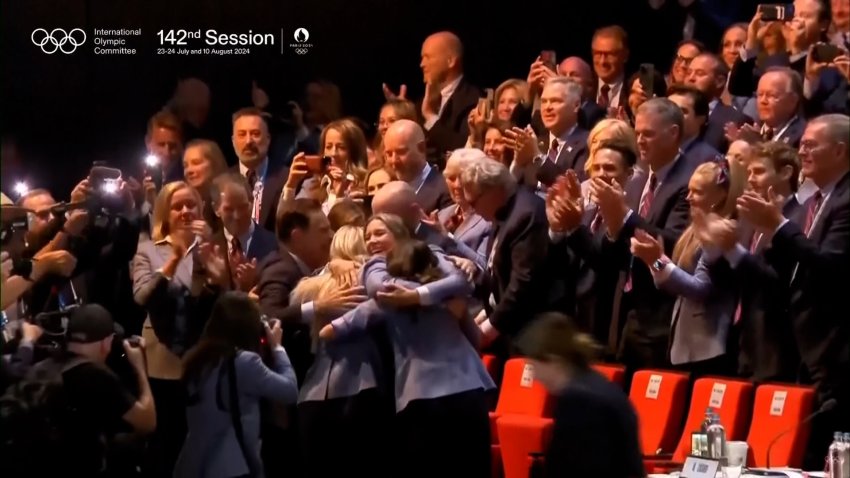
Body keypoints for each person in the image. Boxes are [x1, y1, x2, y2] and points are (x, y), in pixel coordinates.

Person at [175, 292, 298, 478]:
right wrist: (277, 348)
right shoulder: (244, 362)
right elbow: (289, 390)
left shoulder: (195, 360)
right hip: (232, 467)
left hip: (195, 463)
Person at [518, 312, 644, 478]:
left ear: (553, 360)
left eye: (534, 367)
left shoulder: (579, 402)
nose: (535, 377)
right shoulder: (598, 384)